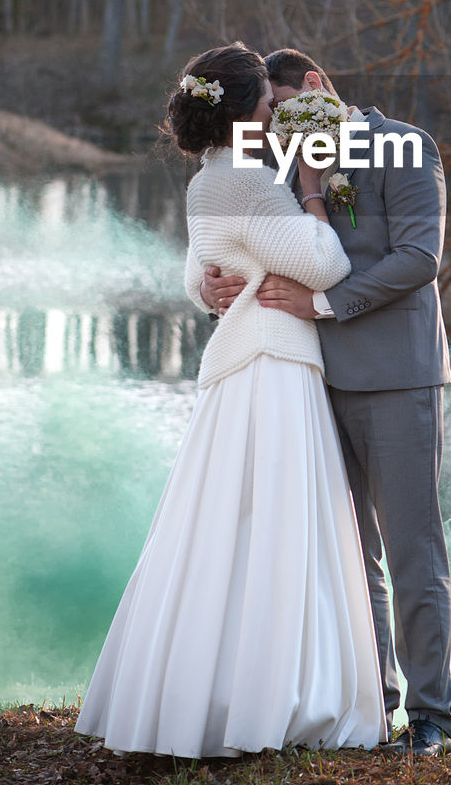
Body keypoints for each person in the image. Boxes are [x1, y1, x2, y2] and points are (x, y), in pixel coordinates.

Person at [75, 43, 386, 758]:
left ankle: (215, 690)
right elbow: (326, 262)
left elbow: (200, 267)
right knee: (278, 526)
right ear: (247, 110)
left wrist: (208, 287)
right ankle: (273, 696)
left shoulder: (210, 179)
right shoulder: (251, 178)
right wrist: (312, 187)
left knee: (228, 527)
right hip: (272, 363)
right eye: (272, 106)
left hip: (246, 362)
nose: (279, 115)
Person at [200, 49, 451, 755]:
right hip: (306, 383)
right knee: (346, 554)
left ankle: (432, 715)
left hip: (395, 377)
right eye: (269, 115)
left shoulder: (403, 144)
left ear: (315, 85)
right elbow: (226, 218)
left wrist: (323, 301)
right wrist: (210, 286)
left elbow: (418, 257)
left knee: (411, 549)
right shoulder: (276, 156)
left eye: (282, 106)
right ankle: (372, 703)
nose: (275, 122)